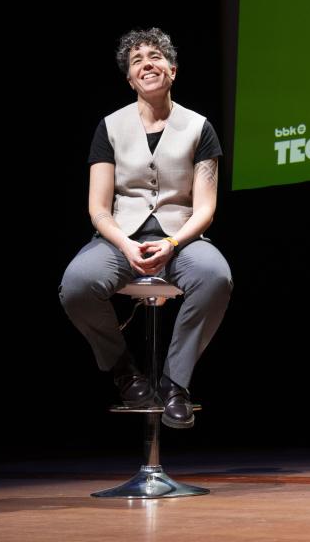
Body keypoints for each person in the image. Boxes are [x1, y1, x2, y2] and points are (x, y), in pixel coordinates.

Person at [60, 27, 233, 429]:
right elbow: (98, 208)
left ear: (172, 70)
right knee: (77, 285)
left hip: (181, 237)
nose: (146, 64)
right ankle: (124, 370)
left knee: (215, 276)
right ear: (130, 79)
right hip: (120, 237)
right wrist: (123, 244)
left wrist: (173, 242)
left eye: (154, 56)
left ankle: (176, 383)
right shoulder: (110, 127)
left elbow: (205, 207)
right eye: (137, 60)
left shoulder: (198, 127)